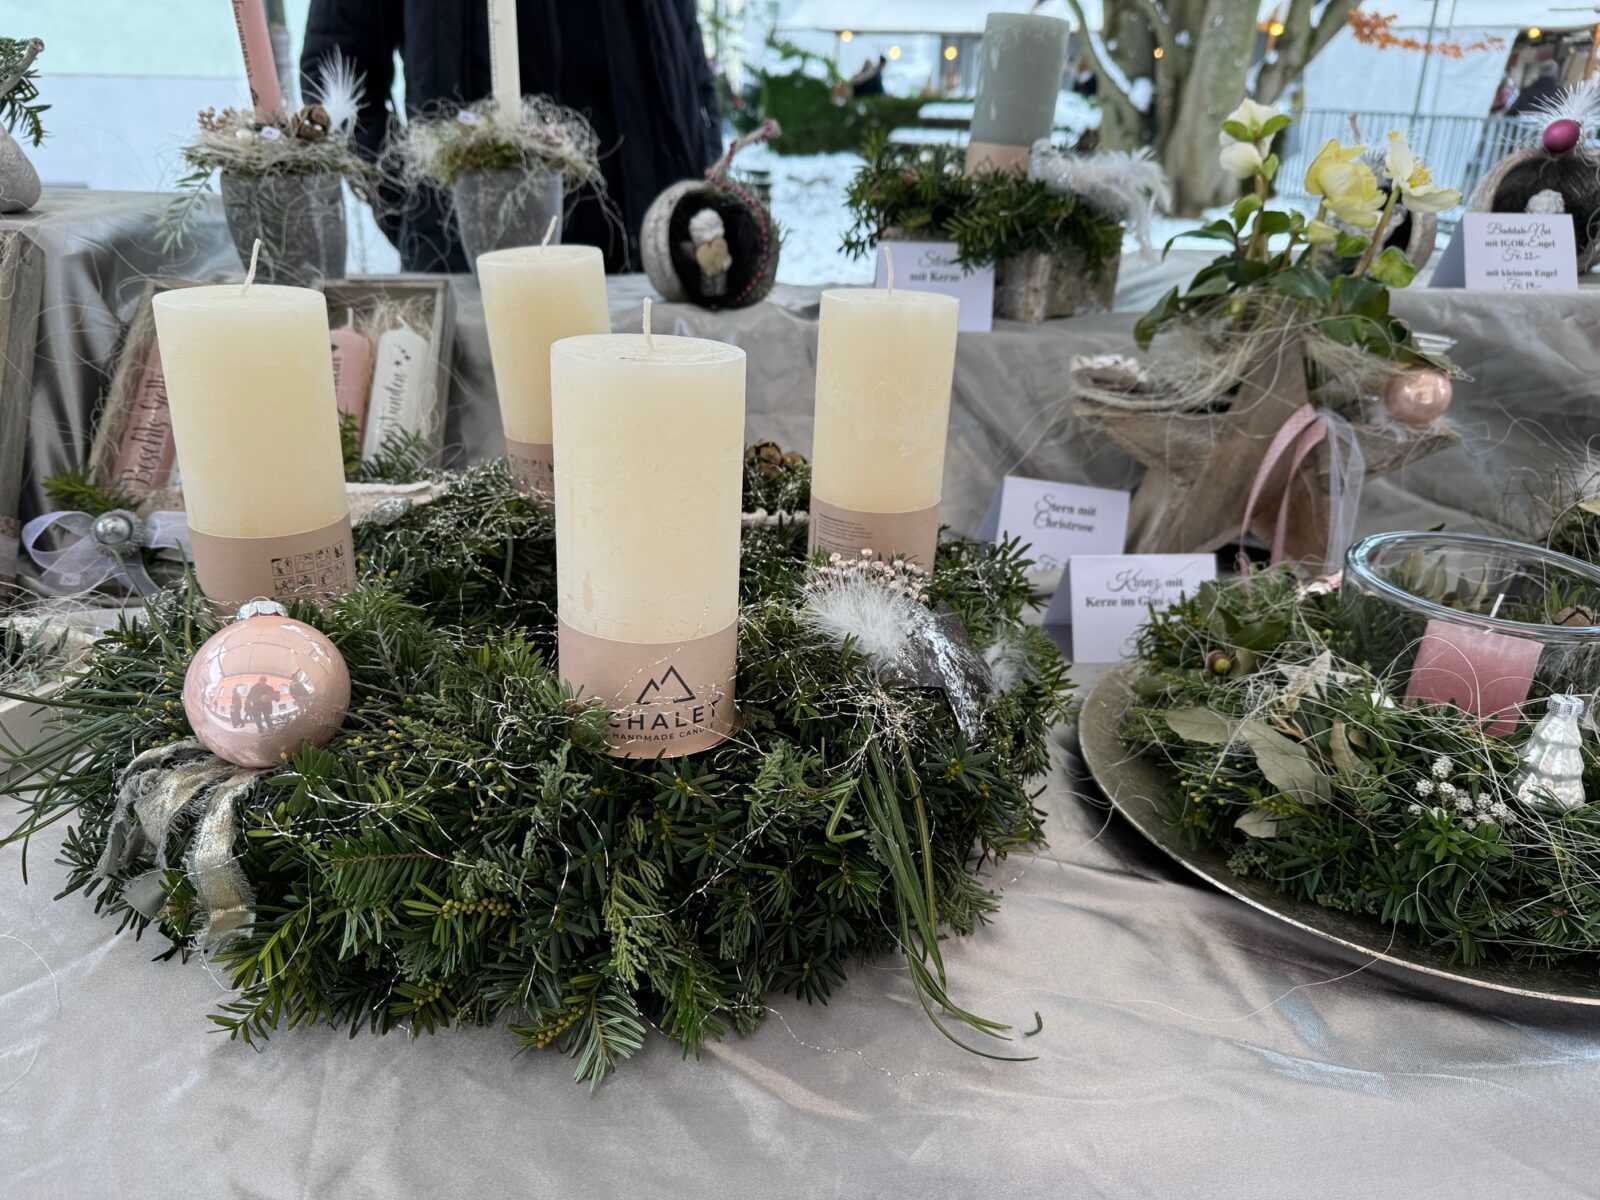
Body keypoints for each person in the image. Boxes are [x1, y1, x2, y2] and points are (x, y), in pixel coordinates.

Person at [300, 0, 722, 273]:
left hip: (655, 261)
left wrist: (702, 160)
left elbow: (688, 55)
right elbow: (337, 65)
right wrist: (410, 203)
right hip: (476, 269)